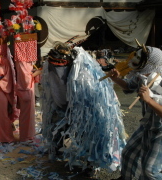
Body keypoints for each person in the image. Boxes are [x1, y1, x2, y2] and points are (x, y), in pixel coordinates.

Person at [41, 40, 126, 177]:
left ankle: (91, 163)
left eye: (60, 65)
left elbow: (93, 97)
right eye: (54, 65)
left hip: (85, 108)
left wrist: (81, 111)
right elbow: (51, 87)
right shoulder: (49, 65)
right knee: (56, 125)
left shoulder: (83, 73)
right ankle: (56, 148)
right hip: (61, 103)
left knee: (89, 134)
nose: (57, 68)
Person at [109, 44, 162, 180]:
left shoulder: (160, 82)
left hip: (160, 131)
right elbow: (128, 86)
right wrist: (116, 79)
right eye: (136, 54)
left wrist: (150, 101)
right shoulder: (141, 77)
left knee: (151, 170)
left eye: (138, 57)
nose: (133, 58)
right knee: (128, 153)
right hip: (147, 126)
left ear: (150, 63)